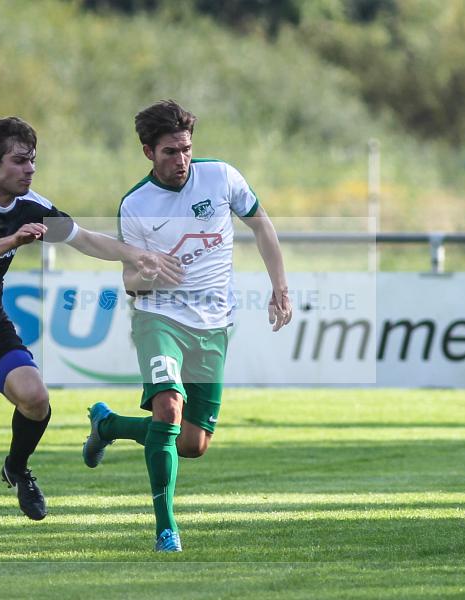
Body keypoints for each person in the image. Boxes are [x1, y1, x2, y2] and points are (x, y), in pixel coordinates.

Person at [0, 116, 182, 548]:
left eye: (33, 162)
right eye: (20, 161)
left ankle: (17, 466)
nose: (30, 170)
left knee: (35, 397)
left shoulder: (32, 205)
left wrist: (137, 255)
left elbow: (84, 239)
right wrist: (13, 240)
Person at [81, 100, 292, 552]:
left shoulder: (220, 177)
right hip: (159, 318)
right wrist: (147, 274)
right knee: (168, 409)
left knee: (193, 443)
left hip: (214, 324)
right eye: (170, 152)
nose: (181, 161)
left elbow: (262, 226)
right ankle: (166, 530)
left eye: (186, 149)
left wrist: (280, 286)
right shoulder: (136, 204)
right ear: (147, 153)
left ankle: (109, 426)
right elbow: (131, 282)